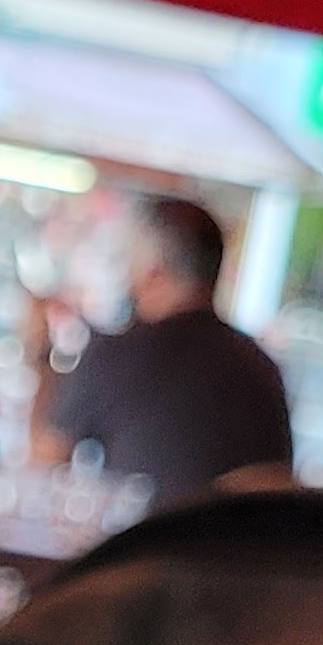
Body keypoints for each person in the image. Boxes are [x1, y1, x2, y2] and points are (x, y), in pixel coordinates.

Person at [38, 194, 291, 502]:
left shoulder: (119, 355)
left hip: (148, 533)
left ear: (153, 271)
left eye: (128, 262)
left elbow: (42, 465)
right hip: (248, 534)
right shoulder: (261, 368)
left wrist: (39, 350)